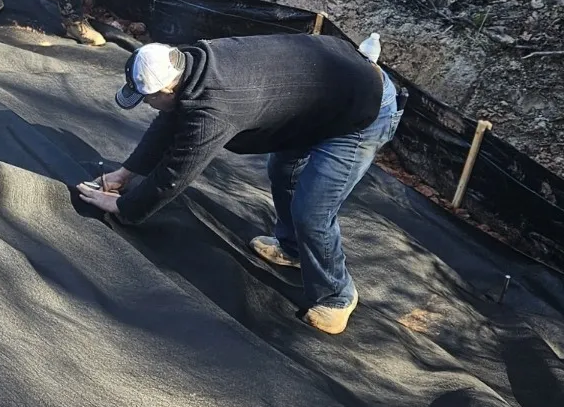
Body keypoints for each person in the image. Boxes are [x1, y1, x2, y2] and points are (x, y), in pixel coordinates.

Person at [76, 34, 401, 335]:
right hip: (323, 99)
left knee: (312, 211)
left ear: (167, 90)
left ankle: (337, 294)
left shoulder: (216, 106)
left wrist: (124, 207)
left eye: (146, 99)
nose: (145, 105)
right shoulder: (192, 63)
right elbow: (168, 123)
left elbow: (176, 173)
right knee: (284, 170)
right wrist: (126, 173)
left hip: (364, 111)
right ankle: (292, 248)